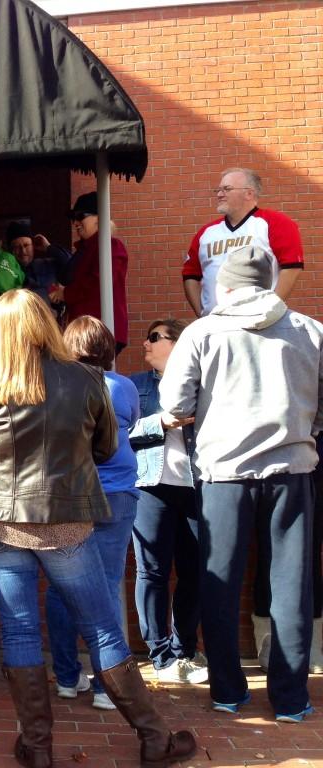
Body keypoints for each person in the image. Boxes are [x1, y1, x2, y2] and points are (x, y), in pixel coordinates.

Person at [0, 289, 195, 768]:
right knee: (103, 628)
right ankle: (153, 740)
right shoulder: (88, 380)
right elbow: (107, 449)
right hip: (65, 522)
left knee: (20, 631)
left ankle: (38, 749)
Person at [160, 245, 323, 722]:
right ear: (268, 283)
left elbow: (173, 404)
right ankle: (292, 698)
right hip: (292, 470)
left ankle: (228, 691)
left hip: (224, 473)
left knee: (221, 582)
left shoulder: (203, 332)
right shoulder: (310, 330)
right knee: (293, 585)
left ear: (223, 286)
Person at [46, 316, 140, 711]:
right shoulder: (124, 386)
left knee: (60, 587)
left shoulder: (57, 386)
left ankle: (68, 678)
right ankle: (108, 687)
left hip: (71, 495)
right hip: (117, 493)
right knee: (107, 585)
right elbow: (130, 425)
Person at [127, 319, 208, 685]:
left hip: (196, 487)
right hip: (151, 486)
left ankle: (184, 651)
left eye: (155, 337)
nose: (146, 342)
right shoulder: (136, 386)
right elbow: (118, 435)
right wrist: (159, 422)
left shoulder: (201, 386)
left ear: (177, 345)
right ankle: (159, 654)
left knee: (195, 572)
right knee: (153, 571)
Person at [182, 167, 303, 318]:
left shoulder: (276, 223)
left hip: (259, 321)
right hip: (215, 323)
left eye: (227, 189)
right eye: (218, 190)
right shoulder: (206, 233)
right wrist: (202, 314)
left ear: (249, 193)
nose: (219, 194)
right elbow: (190, 275)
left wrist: (272, 308)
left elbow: (292, 268)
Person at [60, 192, 130, 353]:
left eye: (80, 216)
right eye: (73, 218)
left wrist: (66, 294)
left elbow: (99, 283)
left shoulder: (111, 246)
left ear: (99, 218)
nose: (76, 222)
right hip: (87, 330)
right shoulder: (87, 249)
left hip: (97, 330)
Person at [4, 219, 71, 312]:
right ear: (11, 250)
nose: (23, 251)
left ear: (33, 246)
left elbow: (71, 265)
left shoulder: (48, 265)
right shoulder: (5, 272)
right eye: (17, 247)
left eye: (26, 245)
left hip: (50, 323)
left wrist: (48, 247)